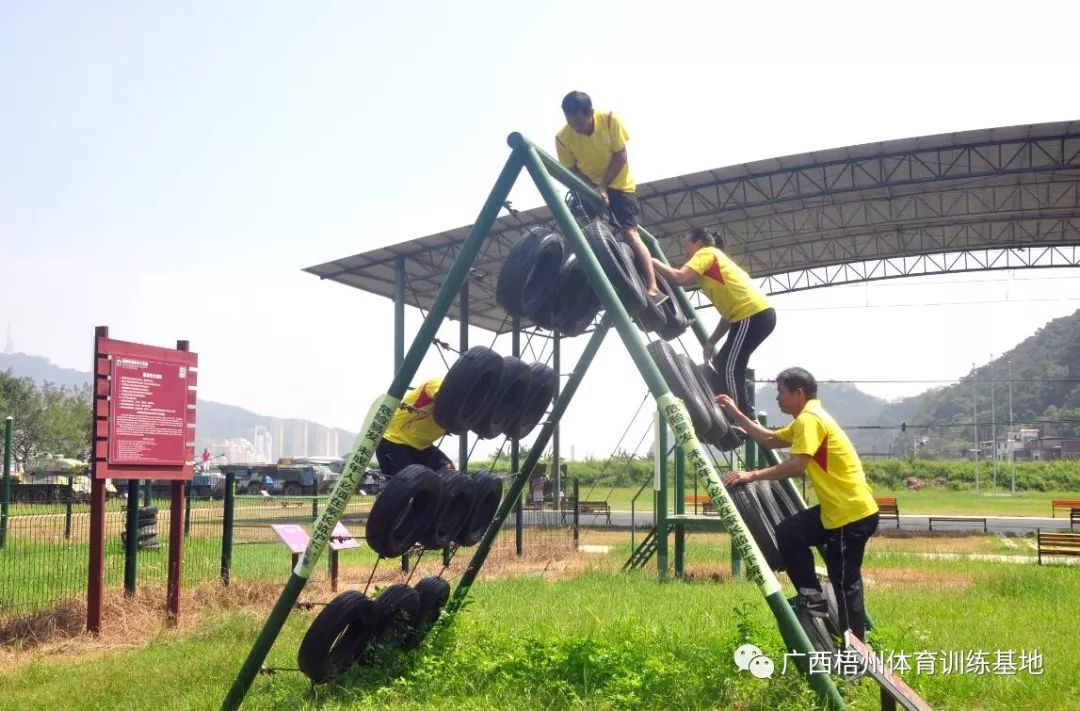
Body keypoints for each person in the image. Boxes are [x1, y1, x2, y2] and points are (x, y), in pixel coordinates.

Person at [717, 368, 879, 641]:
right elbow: (769, 439)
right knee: (790, 532)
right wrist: (736, 413)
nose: (778, 397)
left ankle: (855, 656)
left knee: (845, 585)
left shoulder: (810, 420)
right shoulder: (805, 419)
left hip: (850, 515)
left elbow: (796, 465)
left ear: (798, 393)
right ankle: (812, 596)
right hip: (838, 511)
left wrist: (752, 475)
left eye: (781, 391)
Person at [555, 90, 665, 305]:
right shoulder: (563, 137)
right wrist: (592, 188)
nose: (577, 129)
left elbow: (621, 155)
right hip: (589, 185)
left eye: (581, 124)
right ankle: (585, 278)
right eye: (572, 124)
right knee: (581, 227)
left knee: (631, 234)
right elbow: (571, 169)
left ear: (590, 113)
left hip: (619, 184)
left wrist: (604, 186)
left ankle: (653, 288)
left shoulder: (609, 120)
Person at [651, 227, 775, 415]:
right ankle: (731, 410)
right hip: (748, 316)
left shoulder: (706, 253)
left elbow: (679, 277)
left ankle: (741, 416)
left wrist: (651, 261)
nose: (685, 252)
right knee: (723, 362)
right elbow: (727, 315)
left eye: (687, 245)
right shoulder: (715, 263)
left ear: (698, 243)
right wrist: (711, 342)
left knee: (730, 367)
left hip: (752, 315)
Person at [375, 376, 453, 477]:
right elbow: (444, 400)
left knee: (448, 472)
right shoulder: (438, 383)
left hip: (420, 445)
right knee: (409, 481)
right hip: (394, 440)